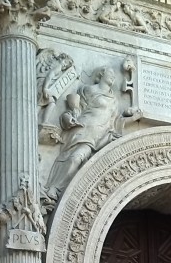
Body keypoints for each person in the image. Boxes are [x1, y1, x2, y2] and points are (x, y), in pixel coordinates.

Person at [44, 67, 121, 200]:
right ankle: (55, 187)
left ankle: (61, 190)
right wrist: (69, 119)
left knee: (78, 159)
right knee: (73, 158)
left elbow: (113, 122)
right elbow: (75, 110)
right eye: (111, 73)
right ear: (102, 74)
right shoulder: (88, 90)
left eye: (114, 74)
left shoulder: (115, 100)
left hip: (98, 135)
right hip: (83, 129)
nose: (113, 76)